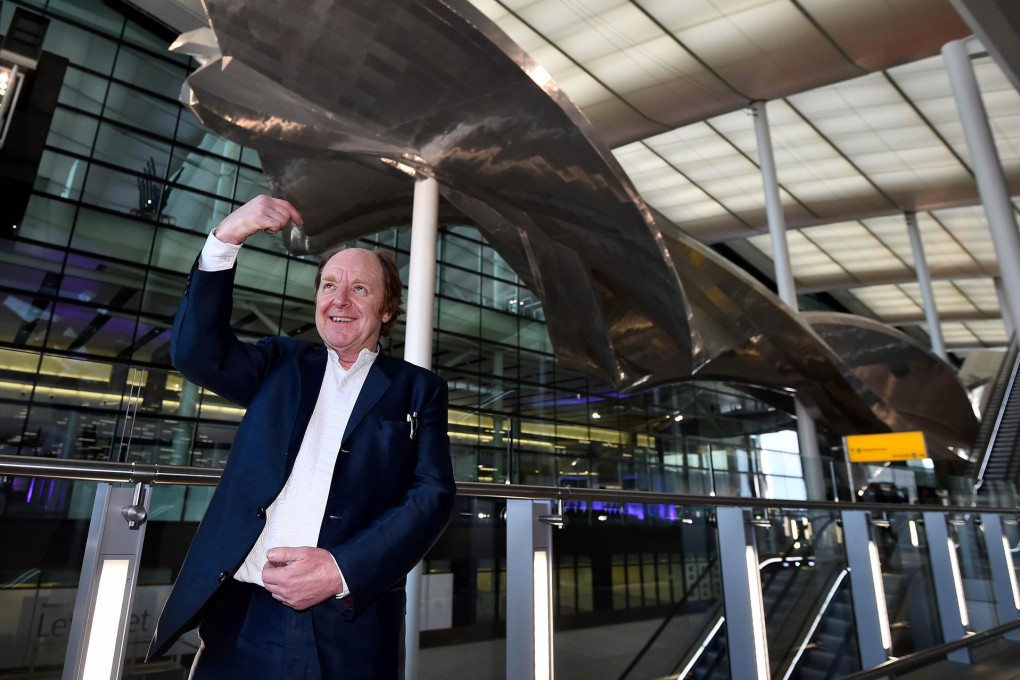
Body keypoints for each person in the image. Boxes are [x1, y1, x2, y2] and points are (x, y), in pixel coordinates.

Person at [146, 195, 456, 679]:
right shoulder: (280, 364)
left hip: (348, 625)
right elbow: (195, 352)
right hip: (242, 616)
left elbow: (432, 495)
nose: (340, 300)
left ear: (387, 309)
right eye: (329, 285)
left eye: (359, 288)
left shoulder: (419, 390)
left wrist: (340, 569)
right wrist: (227, 238)